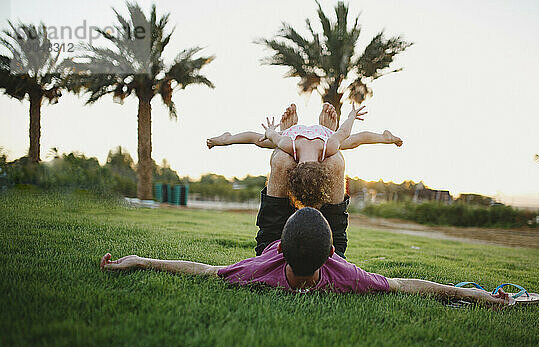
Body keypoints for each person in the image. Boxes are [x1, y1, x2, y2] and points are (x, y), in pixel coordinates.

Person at [100, 207, 511, 307]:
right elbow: (408, 285)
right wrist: (480, 297)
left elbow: (204, 270)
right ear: (332, 253)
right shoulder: (344, 276)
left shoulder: (262, 270)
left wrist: (139, 259)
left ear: (280, 249)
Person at [207, 103, 403, 208]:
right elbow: (346, 133)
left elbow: (346, 133)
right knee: (256, 139)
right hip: (306, 133)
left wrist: (351, 117)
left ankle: (227, 139)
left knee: (257, 140)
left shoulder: (327, 148)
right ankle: (227, 139)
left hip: (309, 133)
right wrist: (270, 133)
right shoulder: (291, 147)